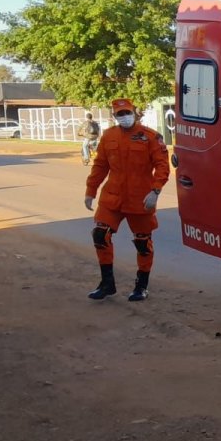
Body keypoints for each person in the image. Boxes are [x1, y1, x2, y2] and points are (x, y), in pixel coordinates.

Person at [84, 99, 170, 302]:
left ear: (134, 113)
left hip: (140, 198)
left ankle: (141, 286)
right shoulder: (109, 136)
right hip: (112, 197)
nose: (124, 117)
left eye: (127, 113)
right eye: (119, 114)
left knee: (143, 243)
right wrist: (91, 190)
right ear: (114, 116)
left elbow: (162, 166)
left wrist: (156, 190)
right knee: (100, 235)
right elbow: (100, 166)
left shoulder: (150, 137)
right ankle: (107, 284)